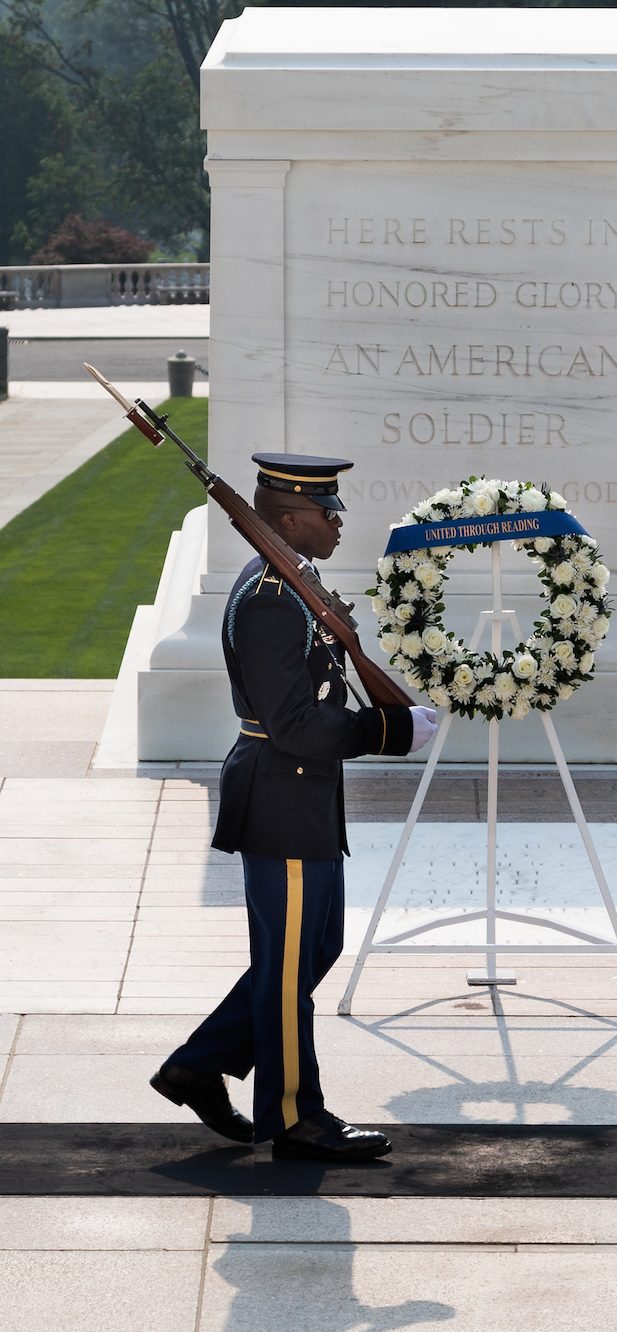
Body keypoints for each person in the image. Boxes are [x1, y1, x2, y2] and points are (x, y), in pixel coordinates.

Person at [150, 454, 437, 1162]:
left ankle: (197, 1063)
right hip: (282, 794)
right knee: (285, 972)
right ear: (284, 521)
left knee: (316, 948)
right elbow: (293, 726)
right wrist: (386, 730)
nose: (338, 520)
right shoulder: (273, 600)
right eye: (324, 511)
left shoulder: (293, 583)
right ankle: (295, 1118)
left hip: (300, 795)